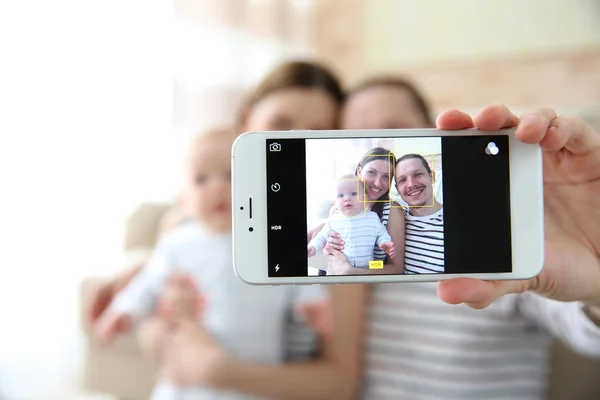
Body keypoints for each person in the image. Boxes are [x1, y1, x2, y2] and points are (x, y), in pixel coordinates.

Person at [156, 76, 600, 400]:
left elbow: (585, 329)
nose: (379, 153)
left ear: (432, 135)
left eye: (394, 130)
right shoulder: (332, 244)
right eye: (361, 139)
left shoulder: (490, 246)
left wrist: (596, 273)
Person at [95, 127, 329, 400]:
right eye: (201, 179)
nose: (218, 187)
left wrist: (315, 303)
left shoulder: (275, 239)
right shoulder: (178, 243)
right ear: (183, 198)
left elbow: (298, 278)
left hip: (251, 375)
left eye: (231, 176)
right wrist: (122, 310)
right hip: (187, 381)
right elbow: (147, 284)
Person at [307, 175, 396, 269]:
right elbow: (321, 237)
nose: (347, 198)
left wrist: (386, 242)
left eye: (353, 194)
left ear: (364, 198)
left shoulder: (372, 218)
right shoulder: (333, 221)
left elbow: (382, 233)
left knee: (379, 267)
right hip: (338, 269)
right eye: (341, 195)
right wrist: (313, 248)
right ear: (335, 203)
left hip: (367, 267)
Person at [395, 153, 444, 274]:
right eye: (402, 180)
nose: (411, 184)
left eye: (417, 174)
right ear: (397, 189)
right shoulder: (396, 220)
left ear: (432, 176)